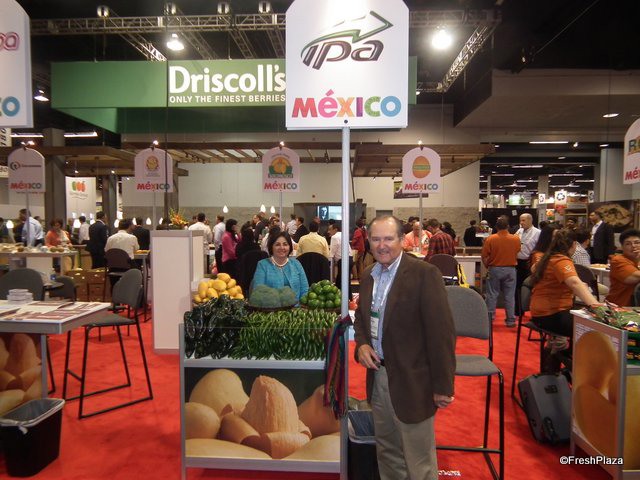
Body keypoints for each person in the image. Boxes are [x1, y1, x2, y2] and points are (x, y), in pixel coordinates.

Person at [353, 216, 455, 480]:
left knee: (418, 462)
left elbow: (441, 333)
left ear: (402, 240)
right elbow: (361, 318)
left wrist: (443, 385)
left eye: (388, 238)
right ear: (368, 241)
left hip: (413, 381)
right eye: (376, 239)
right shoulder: (368, 275)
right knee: (387, 452)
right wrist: (361, 344)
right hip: (379, 376)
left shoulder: (424, 274)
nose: (382, 245)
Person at [530, 230, 599, 372]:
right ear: (574, 245)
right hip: (551, 314)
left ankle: (556, 358)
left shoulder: (546, 258)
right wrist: (597, 306)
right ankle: (569, 363)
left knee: (582, 320)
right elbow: (574, 282)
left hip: (540, 313)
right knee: (592, 327)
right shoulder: (561, 260)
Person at [481, 217, 521, 326]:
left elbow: (484, 256)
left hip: (495, 269)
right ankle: (510, 320)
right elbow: (518, 251)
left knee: (492, 294)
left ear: (496, 227)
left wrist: (488, 266)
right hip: (511, 269)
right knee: (509, 295)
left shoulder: (490, 239)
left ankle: (490, 319)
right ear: (508, 226)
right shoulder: (515, 239)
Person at [252, 231, 309, 301]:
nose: (282, 247)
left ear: (289, 247)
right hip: (270, 307)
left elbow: (305, 290)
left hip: (297, 307)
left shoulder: (296, 264)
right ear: (271, 247)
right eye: (277, 244)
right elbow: (257, 292)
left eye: (285, 244)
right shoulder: (262, 265)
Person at [606, 229, 640, 306]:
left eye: (637, 243)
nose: (633, 246)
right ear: (622, 247)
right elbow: (634, 277)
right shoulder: (617, 260)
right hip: (619, 307)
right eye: (628, 244)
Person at [514, 213, 540, 315]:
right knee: (517, 286)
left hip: (529, 262)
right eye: (520, 220)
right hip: (518, 262)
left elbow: (539, 249)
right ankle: (518, 310)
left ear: (530, 220)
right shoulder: (519, 231)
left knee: (529, 287)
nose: (521, 222)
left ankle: (532, 309)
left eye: (523, 220)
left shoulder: (537, 232)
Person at [328, 223, 353, 294]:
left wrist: (329, 259)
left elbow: (332, 251)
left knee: (343, 281)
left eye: (330, 229)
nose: (328, 232)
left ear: (335, 229)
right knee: (342, 280)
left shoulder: (334, 237)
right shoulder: (343, 234)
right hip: (350, 259)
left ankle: (345, 298)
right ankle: (344, 297)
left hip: (343, 261)